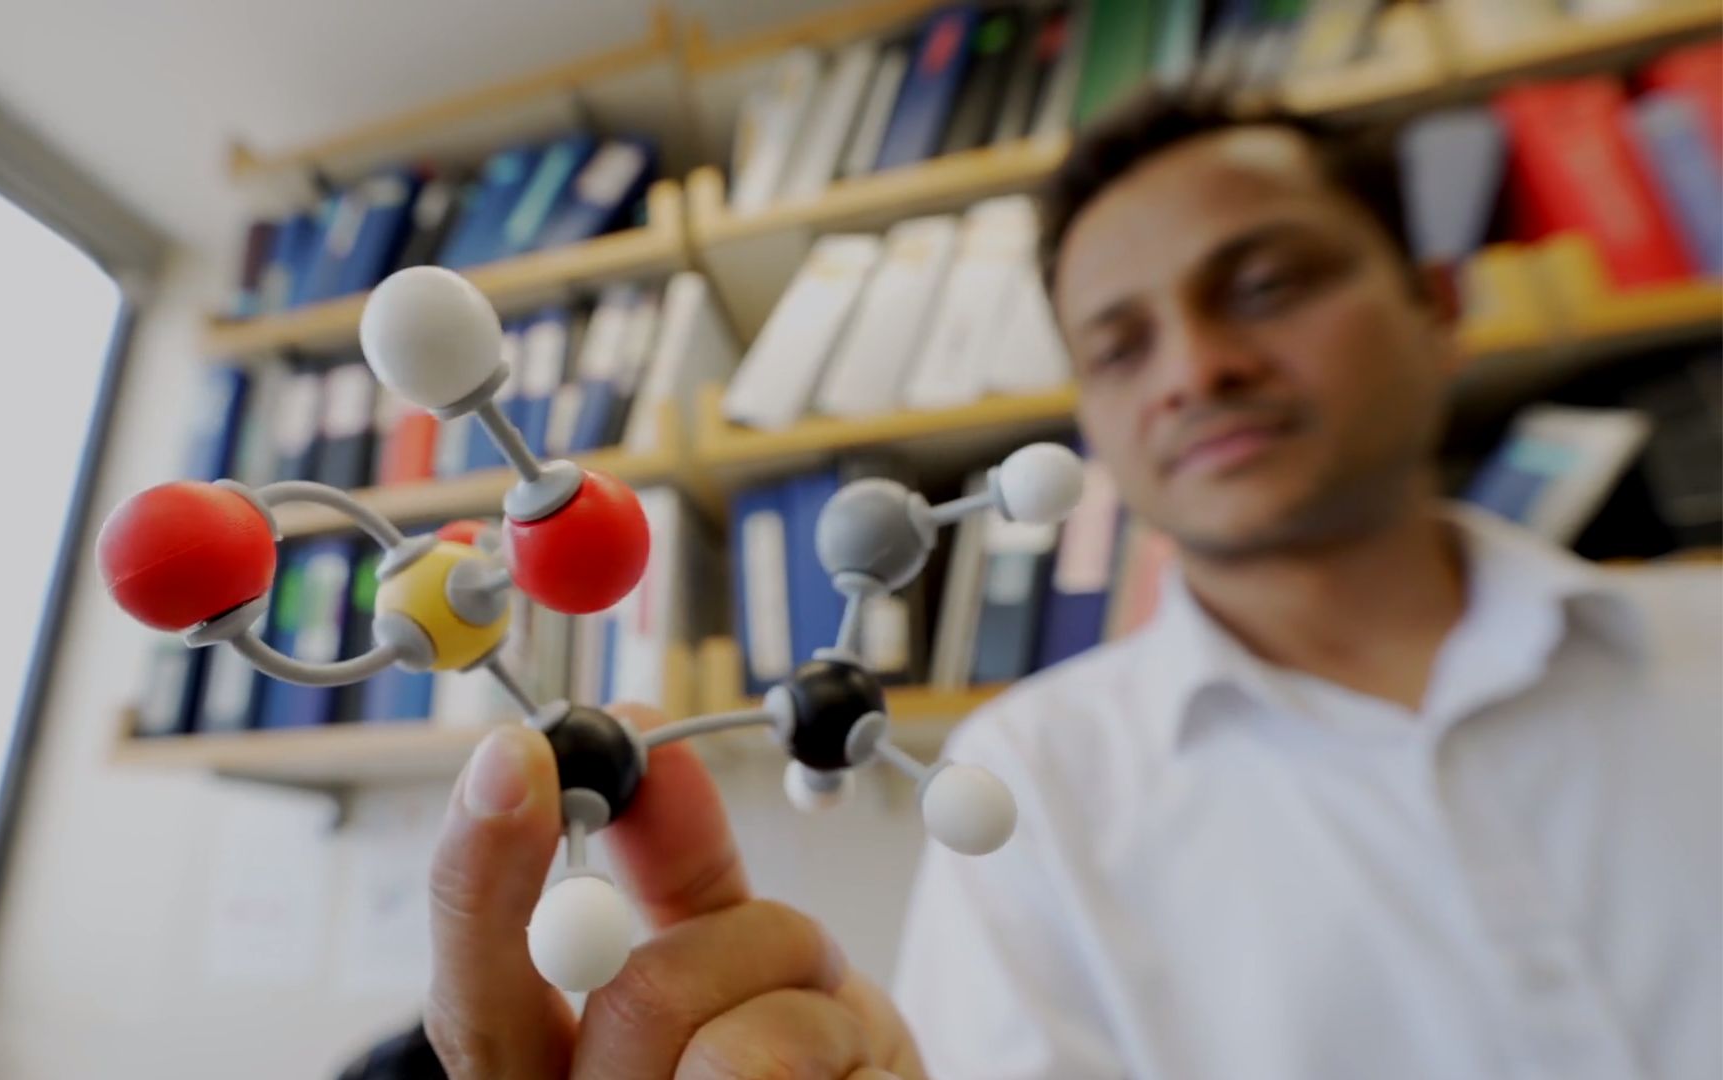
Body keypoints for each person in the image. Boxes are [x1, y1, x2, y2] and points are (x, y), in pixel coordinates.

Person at [415, 88, 1722, 1079]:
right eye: (1120, 344)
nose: (1195, 368)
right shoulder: (1030, 787)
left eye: (1265, 286)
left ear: (1437, 301)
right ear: (1089, 411)